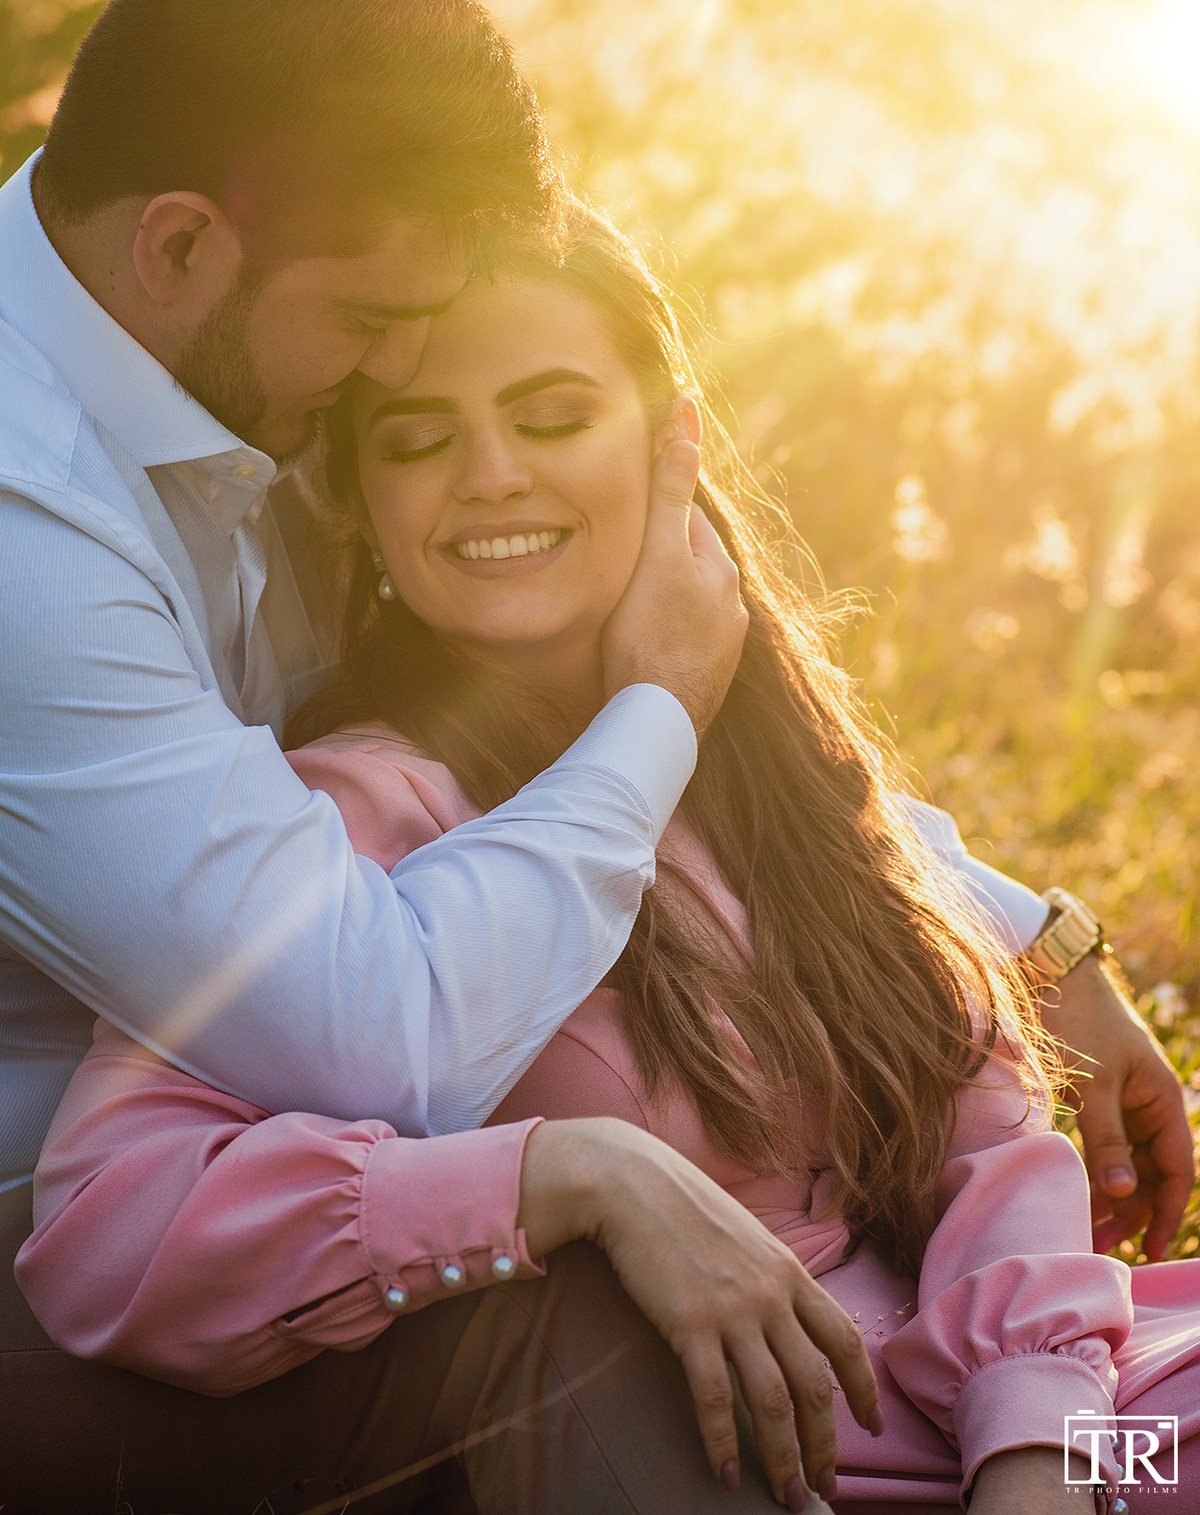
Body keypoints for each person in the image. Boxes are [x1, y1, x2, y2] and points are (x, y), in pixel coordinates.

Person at [0, 0, 1192, 1506]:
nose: (481, 468)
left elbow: (990, 1134)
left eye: (554, 414)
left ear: (668, 443)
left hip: (1040, 1412)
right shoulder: (58, 542)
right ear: (179, 251)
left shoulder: (241, 397)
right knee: (578, 1340)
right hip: (217, 1320)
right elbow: (347, 1035)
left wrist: (1023, 935)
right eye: (397, 396)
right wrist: (565, 1163)